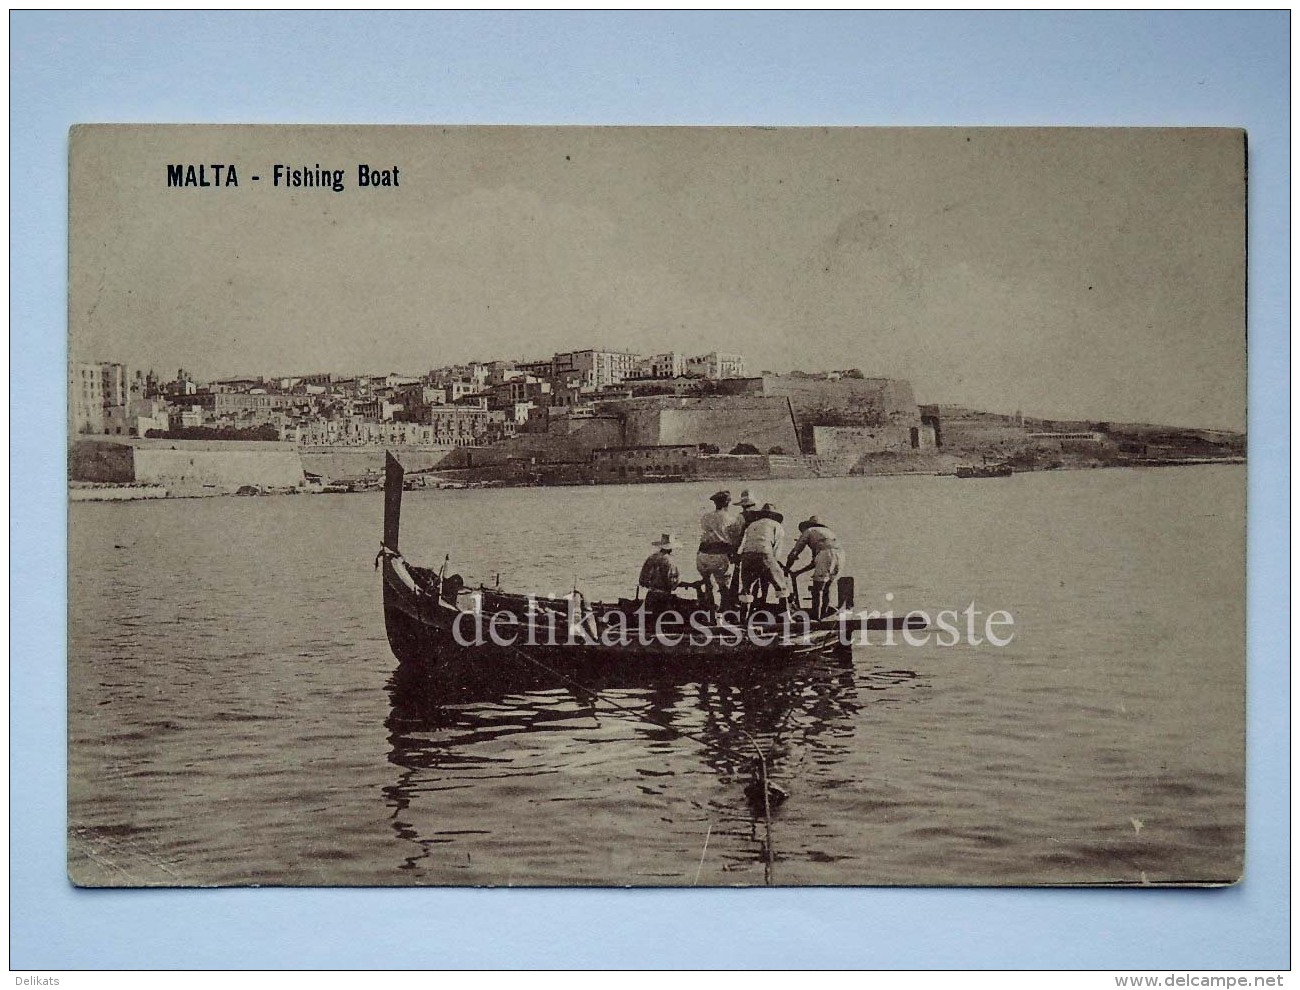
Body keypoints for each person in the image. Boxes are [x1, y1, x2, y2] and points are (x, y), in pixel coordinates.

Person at [786, 515, 844, 619]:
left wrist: (787, 568)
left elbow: (796, 551)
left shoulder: (809, 531)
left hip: (826, 555)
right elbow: (815, 562)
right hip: (841, 555)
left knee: (817, 590)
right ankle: (823, 616)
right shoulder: (828, 533)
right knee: (827, 587)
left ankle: (815, 619)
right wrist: (798, 572)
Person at [737, 502, 789, 611]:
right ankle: (787, 617)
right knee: (781, 586)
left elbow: (745, 542)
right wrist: (776, 565)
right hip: (765, 553)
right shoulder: (777, 526)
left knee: (747, 589)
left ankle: (744, 619)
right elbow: (776, 550)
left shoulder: (752, 525)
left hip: (747, 555)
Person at [696, 491, 741, 608]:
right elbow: (734, 540)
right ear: (728, 503)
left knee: (708, 584)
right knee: (723, 585)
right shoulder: (731, 519)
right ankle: (724, 611)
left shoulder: (706, 517)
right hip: (720, 554)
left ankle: (710, 610)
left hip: (702, 554)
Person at [639, 533, 687, 614]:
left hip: (650, 596)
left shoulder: (651, 558)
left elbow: (642, 580)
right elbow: (672, 582)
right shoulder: (670, 561)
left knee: (650, 621)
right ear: (671, 548)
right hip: (664, 597)